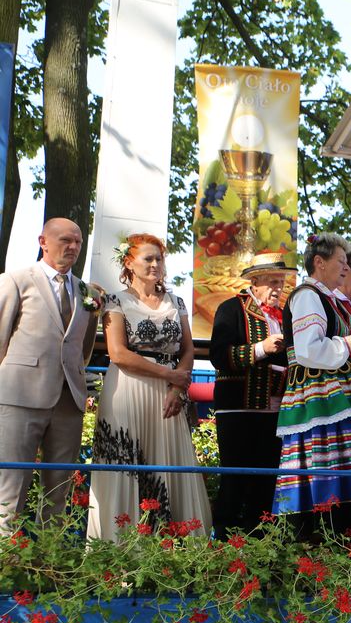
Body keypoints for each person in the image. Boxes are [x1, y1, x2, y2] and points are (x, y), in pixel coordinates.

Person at [88, 234, 211, 539]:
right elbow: (118, 353)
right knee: (126, 464)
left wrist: (177, 389)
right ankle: (119, 544)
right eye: (148, 258)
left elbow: (188, 350)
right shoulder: (116, 301)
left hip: (169, 395)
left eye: (159, 259)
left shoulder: (176, 302)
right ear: (129, 263)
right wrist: (168, 375)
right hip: (127, 390)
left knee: (170, 464)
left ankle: (172, 545)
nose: (156, 264)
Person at [273, 233, 351, 534]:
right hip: (320, 400)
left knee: (344, 471)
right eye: (341, 261)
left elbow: (338, 351)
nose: (346, 268)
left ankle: (345, 539)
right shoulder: (307, 295)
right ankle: (321, 540)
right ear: (319, 262)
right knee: (324, 469)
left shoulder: (329, 299)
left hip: (337, 398)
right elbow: (308, 350)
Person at [0, 218, 102, 533]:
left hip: (69, 402)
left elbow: (83, 348)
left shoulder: (88, 291)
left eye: (78, 241)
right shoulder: (15, 280)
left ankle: (50, 559)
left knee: (59, 491)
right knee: (10, 490)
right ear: (43, 241)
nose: (73, 247)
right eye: (65, 240)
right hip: (19, 397)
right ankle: (7, 558)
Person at [209, 259, 294, 538]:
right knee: (235, 478)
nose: (278, 288)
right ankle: (225, 542)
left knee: (266, 482)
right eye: (272, 282)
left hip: (275, 410)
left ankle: (260, 544)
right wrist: (261, 349)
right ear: (254, 282)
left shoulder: (283, 316)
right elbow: (219, 356)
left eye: (281, 282)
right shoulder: (231, 308)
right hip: (238, 408)